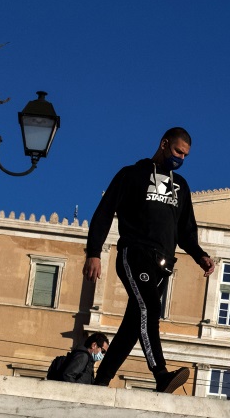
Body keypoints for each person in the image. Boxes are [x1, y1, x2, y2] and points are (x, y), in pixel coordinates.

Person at [84, 127, 214, 393]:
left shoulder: (181, 186)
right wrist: (94, 252)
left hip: (164, 264)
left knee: (133, 325)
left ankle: (100, 381)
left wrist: (200, 255)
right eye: (178, 151)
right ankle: (161, 374)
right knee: (149, 310)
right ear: (164, 144)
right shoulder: (131, 175)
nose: (181, 158)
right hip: (136, 254)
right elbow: (104, 212)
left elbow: (186, 231)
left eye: (186, 155)